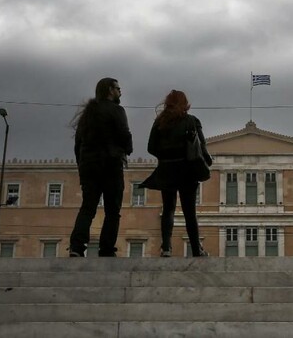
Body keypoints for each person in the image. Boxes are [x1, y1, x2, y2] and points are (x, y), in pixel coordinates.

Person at [69, 77, 133, 257]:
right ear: (110, 90)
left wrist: (82, 166)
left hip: (89, 167)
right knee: (113, 211)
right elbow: (124, 134)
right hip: (111, 165)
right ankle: (106, 249)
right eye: (118, 88)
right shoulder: (116, 110)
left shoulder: (88, 114)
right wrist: (128, 149)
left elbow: (78, 144)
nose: (121, 91)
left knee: (87, 207)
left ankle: (76, 246)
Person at [145, 90, 212, 257]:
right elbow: (201, 147)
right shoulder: (192, 121)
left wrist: (166, 156)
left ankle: (166, 247)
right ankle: (196, 249)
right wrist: (207, 161)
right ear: (184, 103)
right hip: (188, 170)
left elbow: (151, 147)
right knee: (190, 212)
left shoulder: (160, 122)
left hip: (167, 170)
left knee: (168, 208)